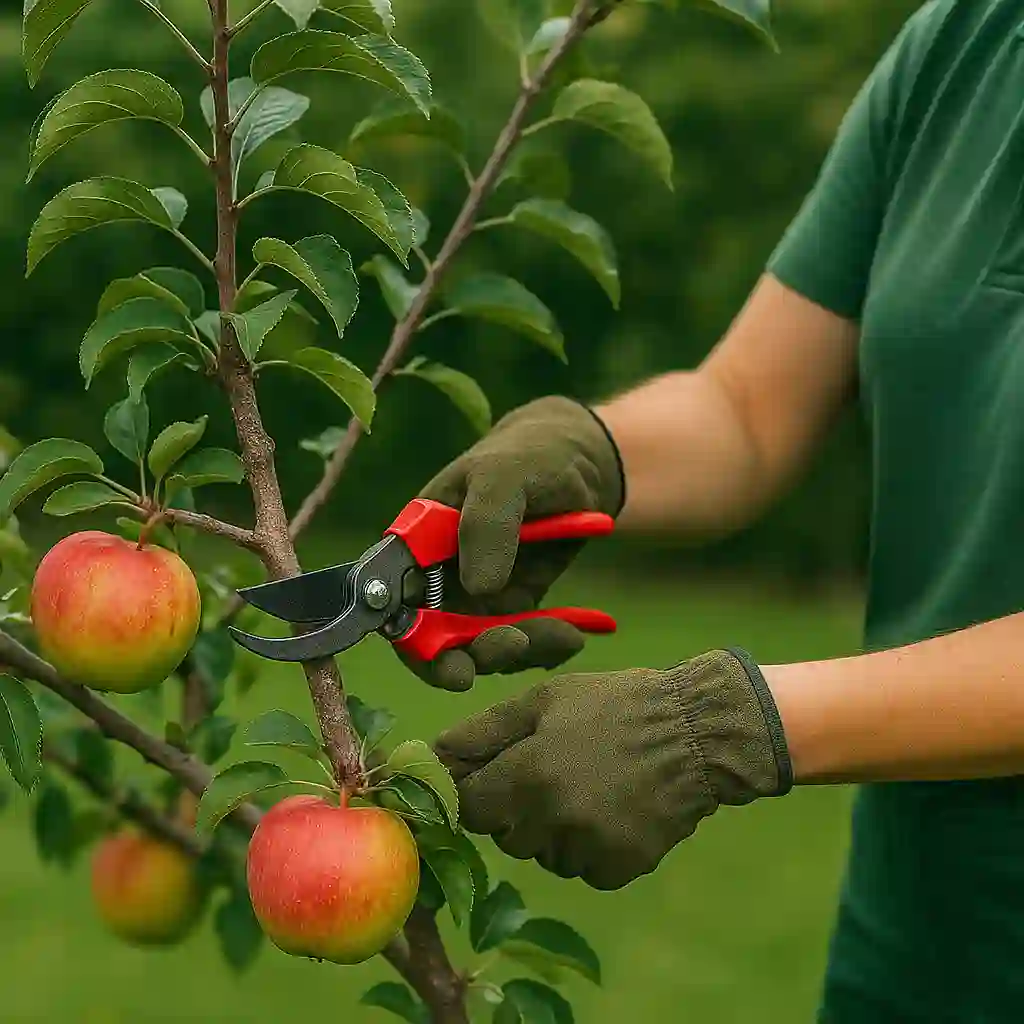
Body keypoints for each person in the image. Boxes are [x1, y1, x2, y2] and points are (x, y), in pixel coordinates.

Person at [405, 1, 1024, 1020]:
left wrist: (729, 725)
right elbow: (747, 406)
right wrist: (582, 454)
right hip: (918, 954)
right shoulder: (964, 45)